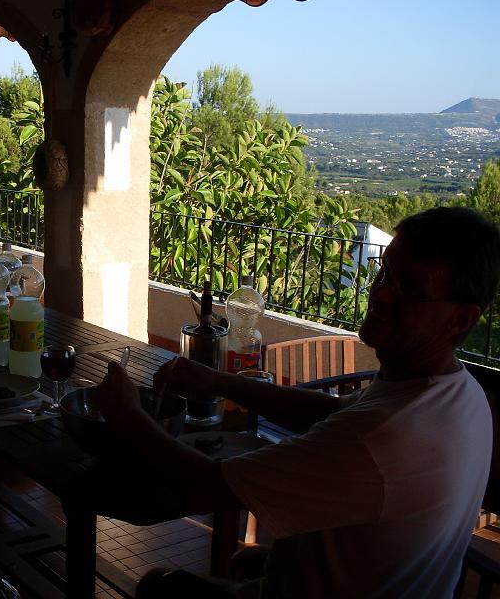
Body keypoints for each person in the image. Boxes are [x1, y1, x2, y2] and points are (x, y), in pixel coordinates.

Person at [96, 206, 500, 598]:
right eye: (386, 271)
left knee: (158, 587)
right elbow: (334, 414)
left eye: (409, 288)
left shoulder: (385, 437)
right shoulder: (457, 392)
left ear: (461, 319)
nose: (382, 293)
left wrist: (128, 415)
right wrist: (218, 381)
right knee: (244, 564)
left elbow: (206, 490)